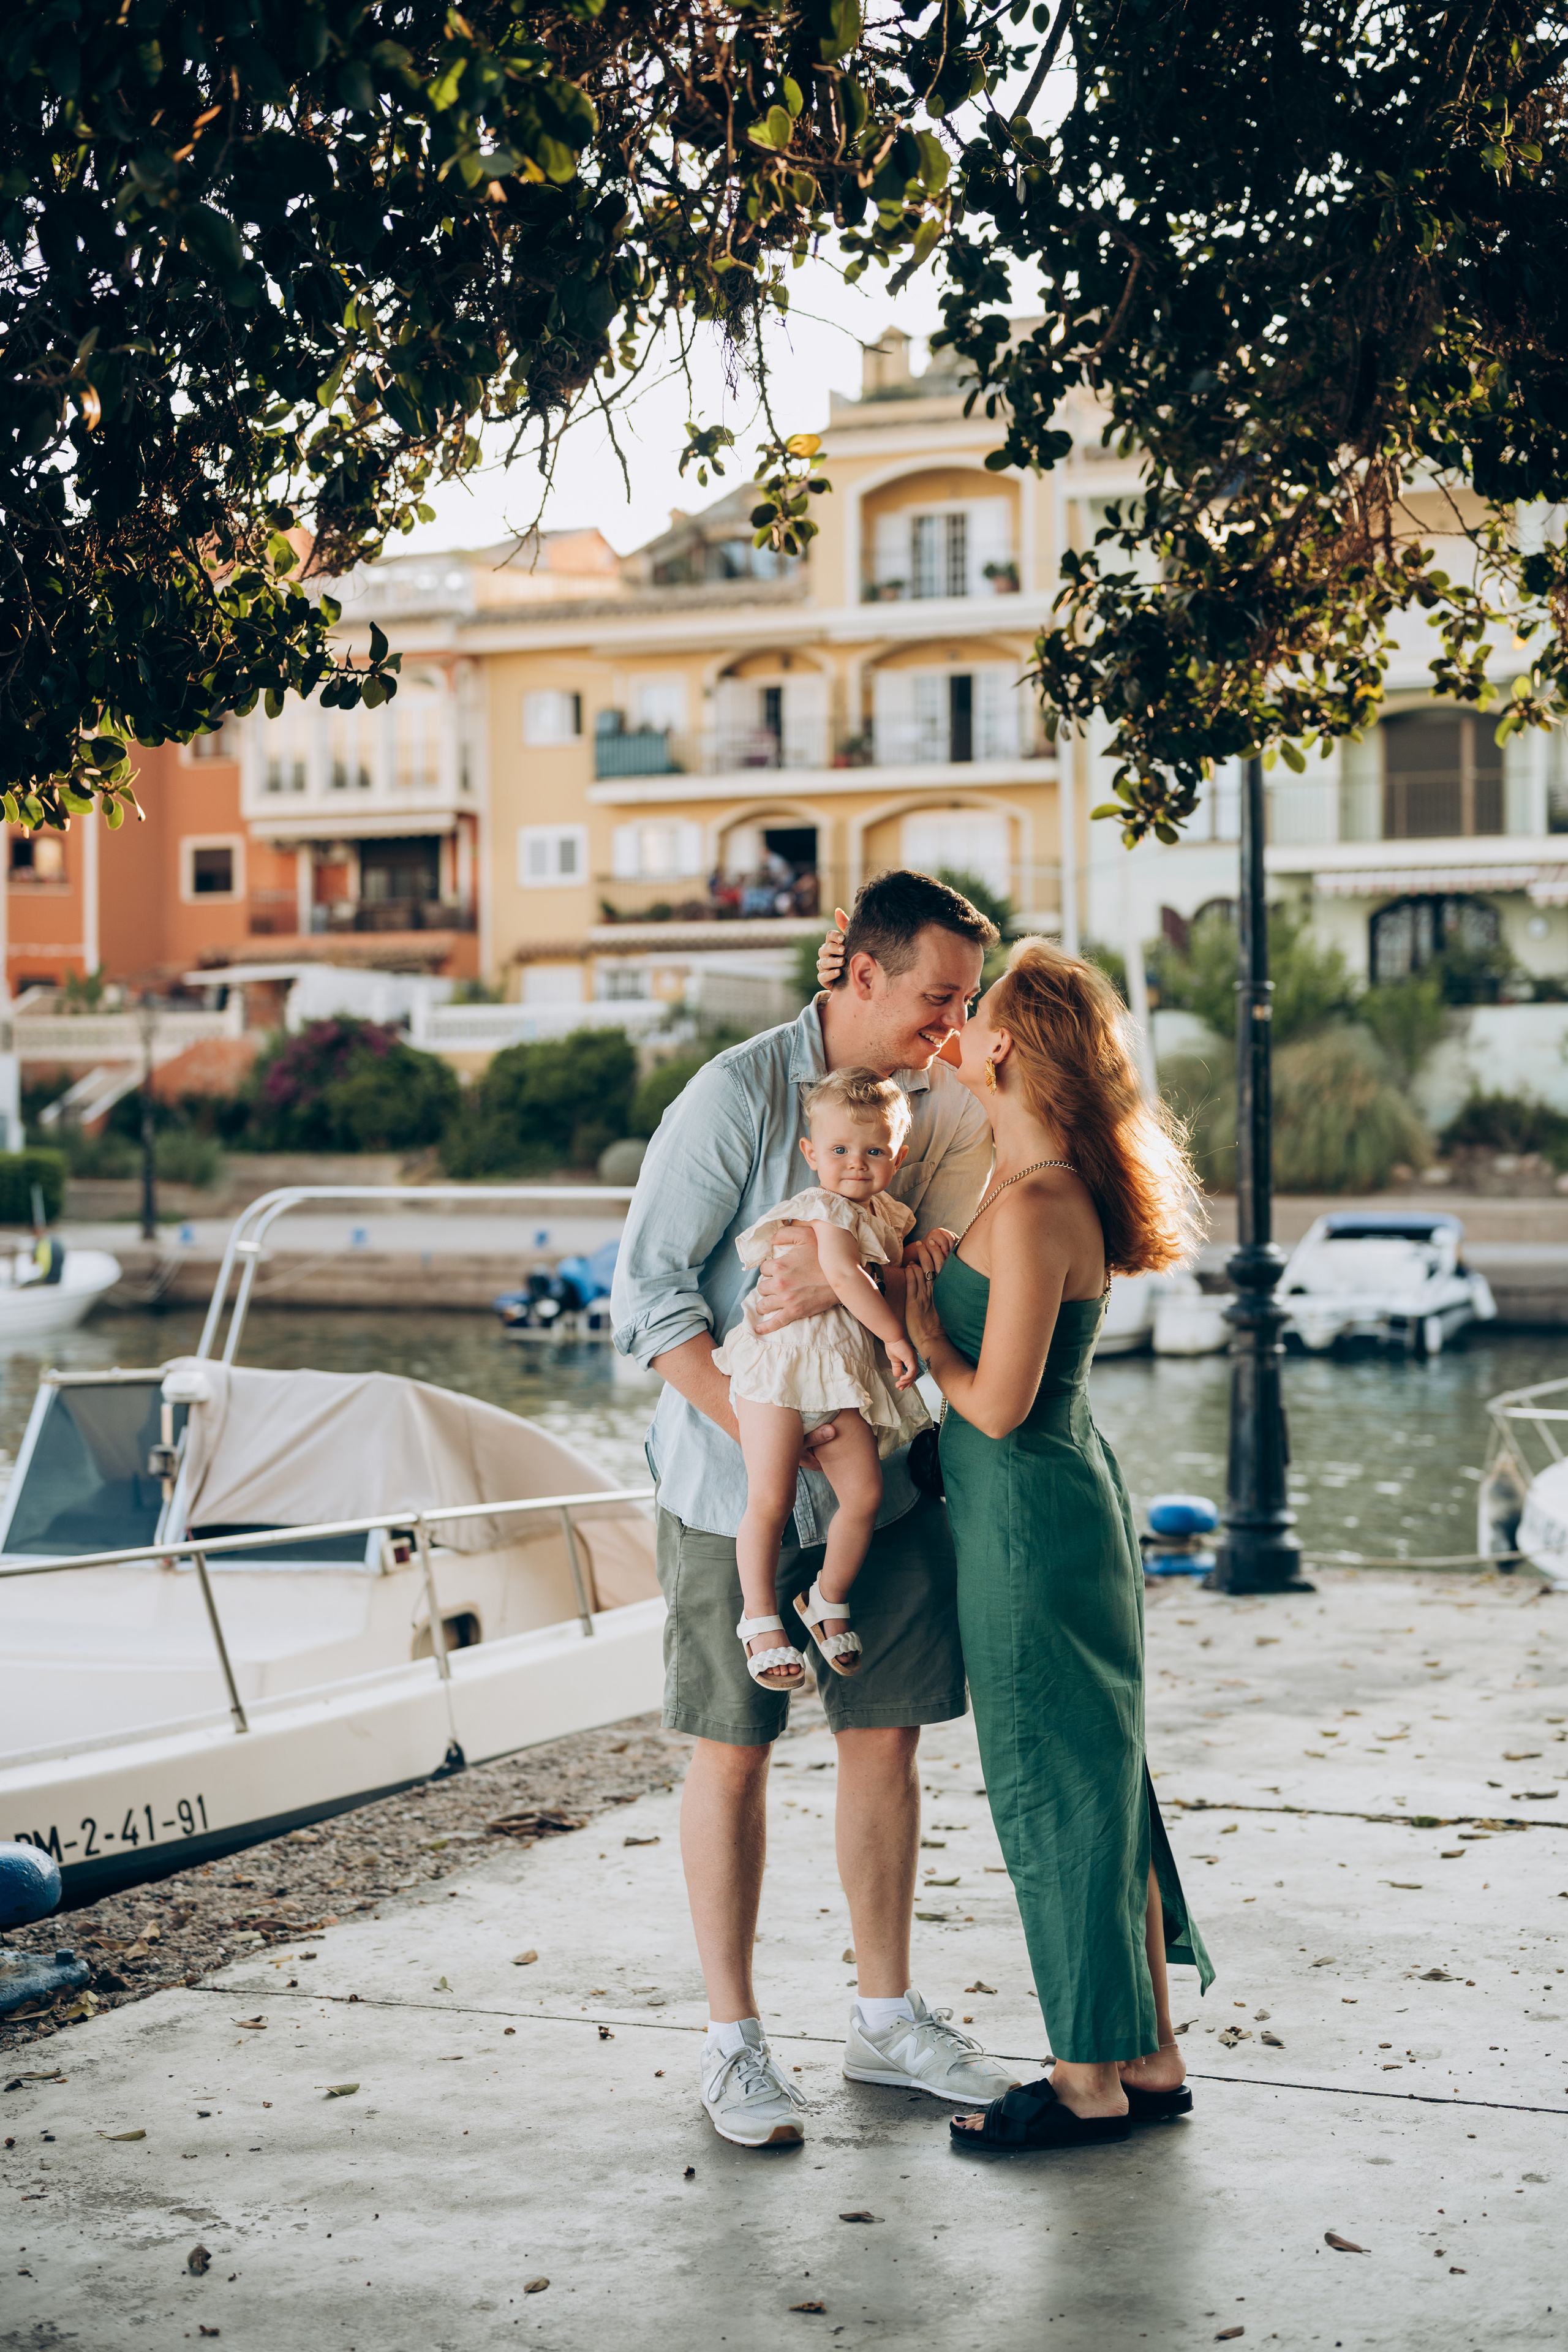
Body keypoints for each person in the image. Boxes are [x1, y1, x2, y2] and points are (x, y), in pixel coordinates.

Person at [611, 869, 1023, 2149]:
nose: (953, 1022)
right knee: (730, 1749)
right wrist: (768, 1443)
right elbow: (649, 1295)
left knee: (885, 1740)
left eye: (965, 1002)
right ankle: (732, 2044)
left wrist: (867, 1277)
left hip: (880, 1487)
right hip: (727, 1488)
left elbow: (931, 1274)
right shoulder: (735, 1097)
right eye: (938, 998)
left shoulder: (940, 1106)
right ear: (863, 973)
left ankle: (885, 2020)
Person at [895, 938, 1215, 2151]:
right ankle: (1146, 2057)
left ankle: (1085, 2080)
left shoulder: (1036, 1204)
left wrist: (924, 1328)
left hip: (1030, 1523)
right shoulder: (1026, 1178)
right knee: (1100, 1783)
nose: (957, 1025)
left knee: (1052, 1790)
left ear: (1012, 1049)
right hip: (1052, 1508)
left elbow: (994, 1405)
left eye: (974, 1011)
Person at [714, 1067, 931, 1691]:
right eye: (839, 1150)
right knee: (770, 1499)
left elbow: (894, 1259)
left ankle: (825, 1597)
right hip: (780, 1373)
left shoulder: (887, 1214)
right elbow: (843, 1276)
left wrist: (932, 1241)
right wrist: (895, 1336)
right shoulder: (824, 1209)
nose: (856, 1164)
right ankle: (759, 1618)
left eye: (874, 1151)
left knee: (863, 1495)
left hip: (835, 1380)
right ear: (811, 1154)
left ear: (898, 1157)